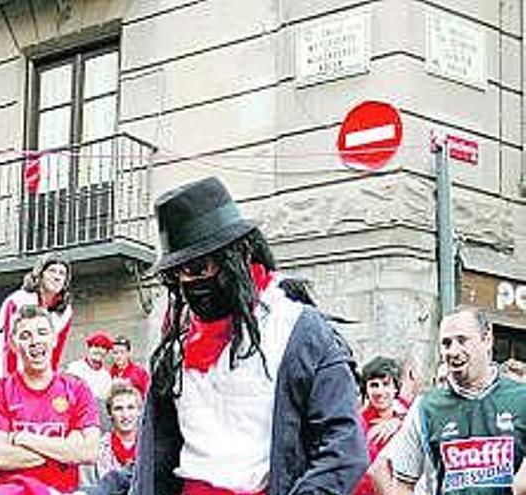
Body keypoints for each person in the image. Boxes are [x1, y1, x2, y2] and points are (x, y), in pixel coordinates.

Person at [133, 177, 367, 495]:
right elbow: (154, 459)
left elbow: (344, 450)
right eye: (180, 274)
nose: (191, 284)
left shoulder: (298, 330)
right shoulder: (174, 349)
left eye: (200, 268)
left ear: (238, 257)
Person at [381, 306, 526, 494]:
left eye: (462, 340)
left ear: (487, 340)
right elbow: (402, 485)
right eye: (446, 344)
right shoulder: (425, 408)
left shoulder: (521, 398)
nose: (453, 351)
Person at [0, 305, 100, 493]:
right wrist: (65, 451)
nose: (35, 341)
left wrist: (22, 438)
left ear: (53, 339)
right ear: (13, 344)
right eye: (25, 336)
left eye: (42, 332)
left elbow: (89, 452)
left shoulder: (78, 389)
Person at [0, 255, 72, 379]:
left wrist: (49, 379)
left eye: (62, 273)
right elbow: (9, 344)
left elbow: (56, 349)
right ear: (40, 275)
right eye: (52, 271)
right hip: (2, 358)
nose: (57, 277)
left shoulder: (65, 311)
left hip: (36, 358)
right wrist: (10, 380)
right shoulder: (19, 300)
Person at [354, 356, 409, 495]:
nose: (380, 391)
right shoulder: (357, 425)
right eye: (374, 385)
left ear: (395, 388)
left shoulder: (409, 416)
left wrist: (399, 422)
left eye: (385, 384)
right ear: (365, 390)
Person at [89, 382, 142, 485]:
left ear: (139, 411)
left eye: (130, 407)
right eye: (118, 409)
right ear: (109, 413)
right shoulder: (98, 448)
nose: (125, 415)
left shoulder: (149, 446)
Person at [66, 330, 114, 401]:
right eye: (96, 346)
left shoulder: (106, 377)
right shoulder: (74, 369)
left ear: (106, 352)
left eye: (103, 347)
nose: (99, 350)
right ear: (88, 348)